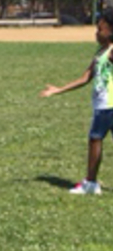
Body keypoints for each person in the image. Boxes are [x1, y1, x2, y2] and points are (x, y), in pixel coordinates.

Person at [40, 14, 113, 194]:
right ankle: (90, 182)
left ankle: (90, 183)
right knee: (95, 139)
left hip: (107, 106)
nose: (96, 33)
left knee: (95, 139)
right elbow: (85, 78)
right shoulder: (100, 53)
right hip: (103, 106)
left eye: (100, 29)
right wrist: (59, 90)